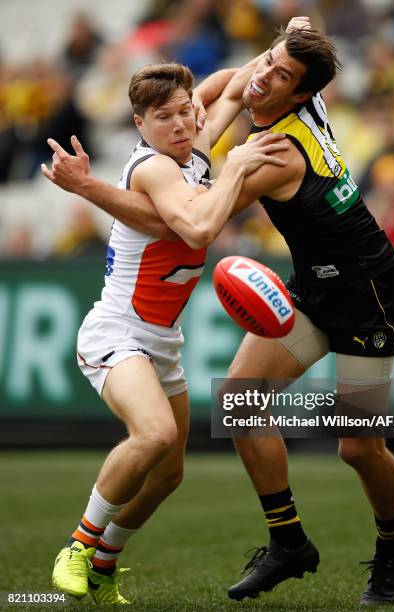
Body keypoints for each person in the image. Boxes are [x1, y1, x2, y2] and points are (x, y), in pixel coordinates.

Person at [43, 18, 394, 607]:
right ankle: (288, 541)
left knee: (357, 446)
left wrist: (231, 160)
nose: (262, 76)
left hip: (369, 295)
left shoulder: (274, 154)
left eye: (281, 74)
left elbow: (192, 222)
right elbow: (233, 86)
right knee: (241, 402)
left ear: (303, 95)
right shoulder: (275, 92)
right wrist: (292, 34)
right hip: (310, 288)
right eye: (267, 60)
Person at [42, 61, 288, 605]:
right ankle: (79, 546)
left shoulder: (192, 143)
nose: (180, 124)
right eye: (164, 117)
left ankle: (104, 564)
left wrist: (275, 54)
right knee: (152, 436)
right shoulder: (154, 168)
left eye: (184, 112)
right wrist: (237, 166)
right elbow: (199, 226)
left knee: (169, 473)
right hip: (116, 332)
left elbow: (226, 82)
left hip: (161, 343)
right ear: (139, 124)